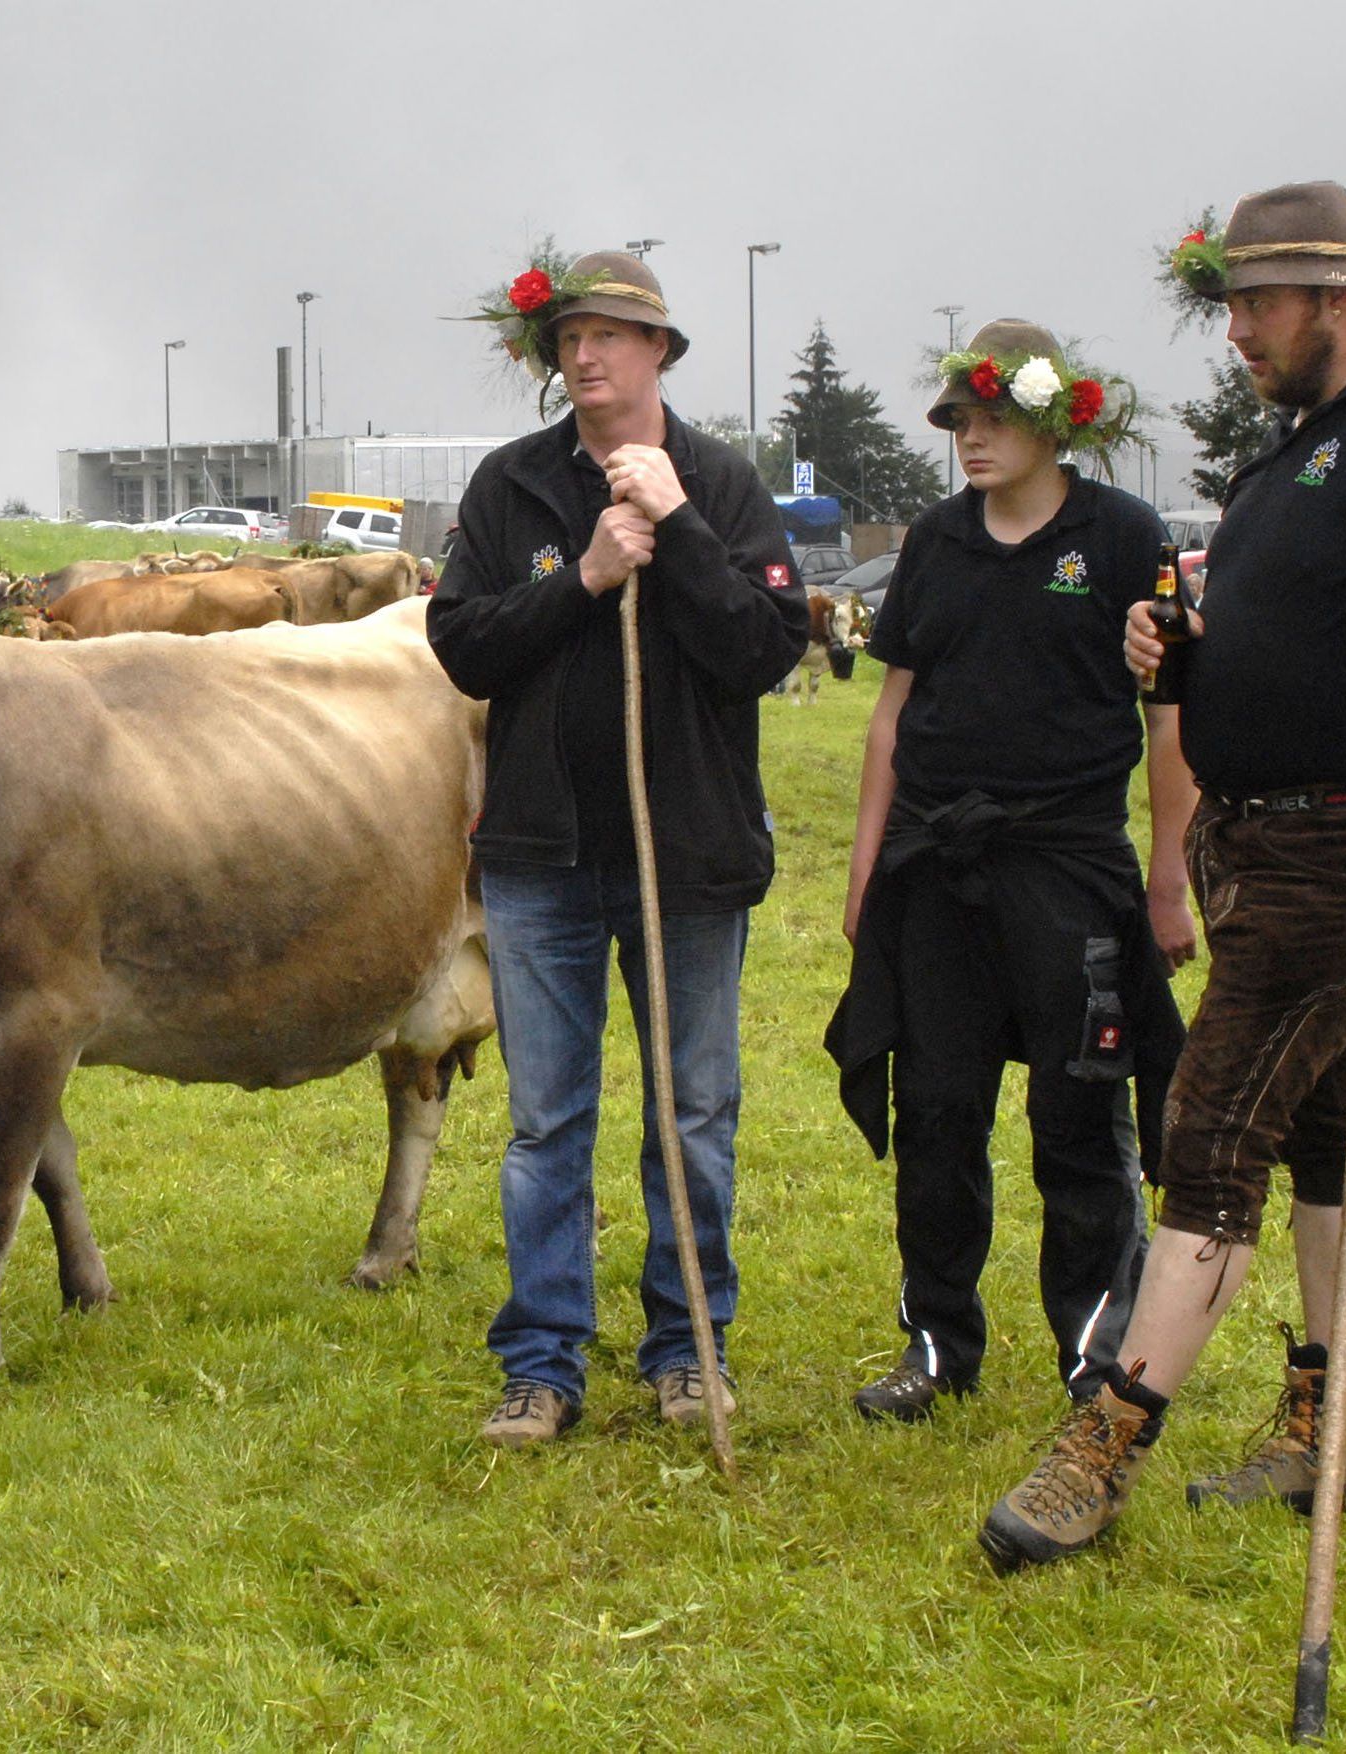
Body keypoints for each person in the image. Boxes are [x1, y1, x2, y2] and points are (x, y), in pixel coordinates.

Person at [981, 182, 1346, 1572]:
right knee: (1338, 1120)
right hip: (1262, 831)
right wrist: (1184, 647)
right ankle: (1337, 1419)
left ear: (1343, 295)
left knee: (1209, 1124)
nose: (1232, 333)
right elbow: (1302, 627)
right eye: (1223, 304)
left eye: (1254, 304)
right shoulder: (1301, 446)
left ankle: (1106, 1439)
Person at [428, 250, 809, 1447]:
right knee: (548, 1119)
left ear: (658, 353)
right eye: (569, 339)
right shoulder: (511, 490)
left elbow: (762, 646)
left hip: (685, 858)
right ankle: (542, 1360)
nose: (585, 356)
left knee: (692, 1110)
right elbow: (465, 647)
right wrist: (587, 575)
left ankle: (687, 1344)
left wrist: (681, 528)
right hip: (542, 854)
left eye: (611, 335)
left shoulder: (723, 484)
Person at [826, 322, 1194, 1424]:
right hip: (935, 868)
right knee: (936, 1110)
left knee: (1079, 1114)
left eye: (989, 419)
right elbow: (891, 713)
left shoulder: (1125, 535)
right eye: (957, 423)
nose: (970, 440)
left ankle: (1094, 1356)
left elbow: (1168, 712)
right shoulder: (934, 542)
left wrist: (1166, 875)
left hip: (1068, 861)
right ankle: (935, 1346)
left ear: (1052, 422)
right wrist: (865, 870)